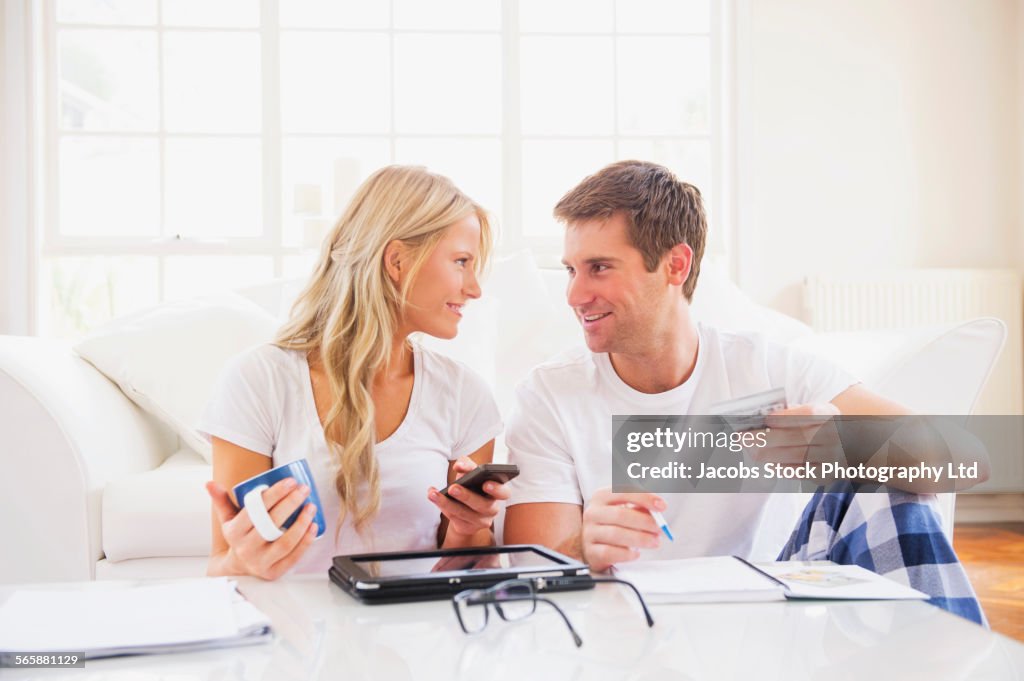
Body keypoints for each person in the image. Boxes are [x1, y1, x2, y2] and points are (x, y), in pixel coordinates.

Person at [502, 160, 986, 623]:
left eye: (599, 268)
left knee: (888, 473)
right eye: (571, 269)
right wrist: (582, 546)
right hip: (624, 620)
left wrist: (844, 442)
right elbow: (528, 570)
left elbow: (968, 461)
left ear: (675, 264)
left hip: (774, 606)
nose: (574, 295)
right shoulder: (550, 396)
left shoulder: (771, 366)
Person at [200, 165, 509, 580]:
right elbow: (221, 569)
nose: (474, 288)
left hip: (415, 633)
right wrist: (241, 562)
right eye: (461, 262)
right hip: (299, 634)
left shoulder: (464, 395)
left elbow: (467, 575)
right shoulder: (259, 381)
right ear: (397, 260)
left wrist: (469, 529)